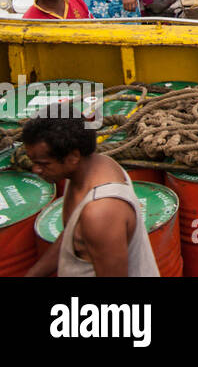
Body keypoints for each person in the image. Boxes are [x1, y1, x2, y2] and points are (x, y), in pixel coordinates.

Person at [22, 117, 159, 276]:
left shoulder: (100, 212)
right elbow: (72, 237)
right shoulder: (86, 169)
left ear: (73, 157)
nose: (35, 170)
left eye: (43, 164)